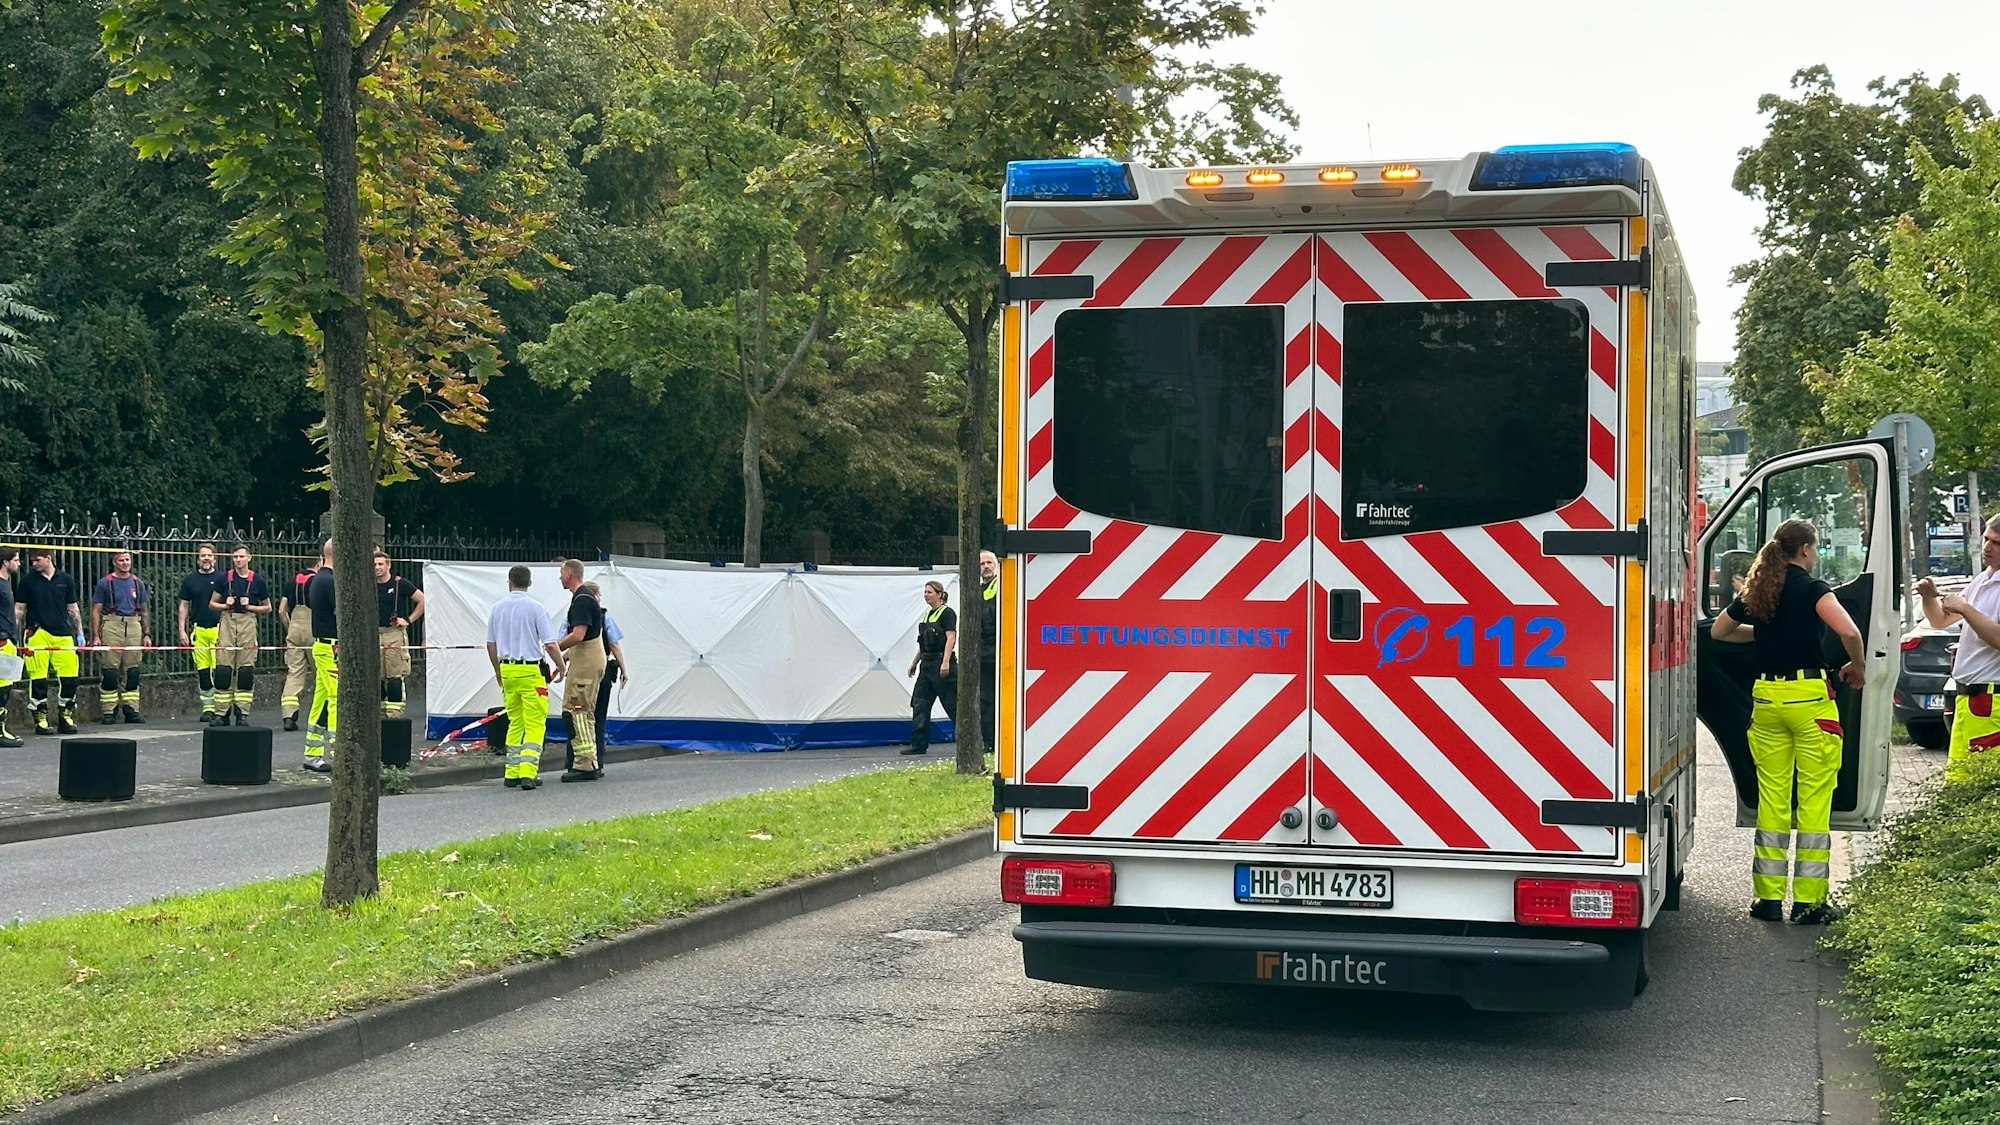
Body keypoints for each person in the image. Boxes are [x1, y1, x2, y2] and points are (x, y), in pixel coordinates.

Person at [1709, 518, 1866, 926]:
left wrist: (1763, 635)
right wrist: (1858, 667)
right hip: (1809, 701)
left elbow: (1721, 633)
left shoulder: (1760, 589)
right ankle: (1810, 904)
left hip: (1767, 701)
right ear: (1806, 550)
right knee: (1814, 802)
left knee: (1774, 800)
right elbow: (1848, 630)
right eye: (1814, 548)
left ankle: (1766, 900)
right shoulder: (1813, 589)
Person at [1919, 512, 2000, 782]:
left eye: (1997, 543)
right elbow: (1940, 619)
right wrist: (1929, 598)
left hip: (1991, 699)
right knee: (1958, 784)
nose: (1988, 547)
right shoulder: (1983, 580)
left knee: (1982, 786)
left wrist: (1965, 608)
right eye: (1986, 539)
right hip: (1968, 699)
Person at [486, 564, 564, 791]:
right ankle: (528, 773)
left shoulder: (497, 609)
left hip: (508, 671)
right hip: (530, 672)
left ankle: (511, 773)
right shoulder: (536, 608)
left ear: (509, 582)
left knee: (515, 721)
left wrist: (498, 671)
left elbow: (491, 644)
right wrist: (560, 665)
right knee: (535, 723)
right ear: (529, 583)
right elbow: (550, 643)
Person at [17, 548, 82, 734]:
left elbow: (73, 608)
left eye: (37, 560)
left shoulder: (66, 580)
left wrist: (79, 632)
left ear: (48, 558)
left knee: (70, 678)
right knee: (38, 679)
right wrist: (14, 633)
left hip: (62, 633)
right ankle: (41, 718)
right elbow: (19, 609)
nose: (34, 564)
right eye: (32, 561)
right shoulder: (28, 581)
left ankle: (66, 716)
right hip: (38, 632)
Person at [555, 559, 606, 782]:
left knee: (576, 711)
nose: (559, 577)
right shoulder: (583, 597)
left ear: (569, 574)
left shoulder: (582, 600)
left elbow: (578, 635)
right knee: (584, 712)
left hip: (587, 661)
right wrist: (564, 658)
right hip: (586, 657)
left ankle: (584, 765)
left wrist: (554, 650)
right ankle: (590, 760)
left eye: (561, 573)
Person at [209, 544, 271, 726]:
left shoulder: (257, 580)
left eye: (241, 557)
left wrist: (250, 606)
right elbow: (212, 603)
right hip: (228, 620)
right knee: (223, 669)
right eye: (235, 557)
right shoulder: (224, 578)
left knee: (245, 669)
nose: (238, 560)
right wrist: (224, 605)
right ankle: (221, 713)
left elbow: (268, 607)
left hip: (248, 621)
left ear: (249, 558)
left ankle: (242, 712)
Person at [90, 549, 151, 723]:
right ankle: (109, 711)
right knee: (110, 670)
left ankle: (131, 709)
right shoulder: (105, 583)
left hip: (134, 624)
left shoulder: (137, 583)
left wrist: (146, 634)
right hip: (112, 624)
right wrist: (96, 636)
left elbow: (145, 610)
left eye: (127, 560)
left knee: (133, 670)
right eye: (122, 560)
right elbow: (96, 610)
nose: (125, 563)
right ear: (114, 562)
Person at [904, 580, 956, 756]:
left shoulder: (947, 613)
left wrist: (946, 662)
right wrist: (914, 662)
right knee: (920, 704)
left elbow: (950, 638)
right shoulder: (927, 616)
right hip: (926, 664)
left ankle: (968, 742)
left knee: (952, 704)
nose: (926, 595)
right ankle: (918, 744)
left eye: (930, 592)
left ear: (940, 594)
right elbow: (923, 643)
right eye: (925, 592)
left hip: (941, 663)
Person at [177, 543, 227, 722]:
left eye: (209, 555)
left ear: (215, 558)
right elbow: (184, 605)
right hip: (199, 630)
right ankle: (208, 708)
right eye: (202, 555)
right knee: (203, 671)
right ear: (198, 559)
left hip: (219, 629)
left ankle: (223, 708)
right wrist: (181, 630)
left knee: (220, 670)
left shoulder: (223, 578)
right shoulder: (190, 580)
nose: (206, 558)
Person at [373, 551, 424, 720]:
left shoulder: (399, 583)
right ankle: (380, 715)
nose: (377, 568)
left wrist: (408, 620)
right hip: (374, 635)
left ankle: (394, 715)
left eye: (381, 564)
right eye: (374, 564)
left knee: (394, 677)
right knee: (377, 677)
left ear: (388, 565)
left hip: (394, 633)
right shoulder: (368, 584)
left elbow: (422, 600)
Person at [303, 539, 338, 772]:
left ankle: (312, 753)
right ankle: (339, 751)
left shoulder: (317, 580)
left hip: (323, 645)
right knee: (338, 699)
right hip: (333, 648)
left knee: (322, 700)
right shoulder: (332, 582)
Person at [278, 558, 320, 731]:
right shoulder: (320, 582)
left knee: (294, 673)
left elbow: (281, 611)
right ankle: (321, 716)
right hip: (314, 630)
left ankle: (289, 716)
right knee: (322, 675)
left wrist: (290, 629)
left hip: (294, 629)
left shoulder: (291, 582)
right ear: (319, 563)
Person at [977, 549, 999, 750]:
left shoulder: (1002, 586)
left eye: (989, 563)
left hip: (1001, 648)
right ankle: (989, 742)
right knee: (986, 699)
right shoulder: (976, 590)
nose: (986, 567)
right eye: (982, 564)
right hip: (983, 652)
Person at [0, 548, 21, 748]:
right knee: (2, 687)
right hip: (2, 641)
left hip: (9, 641)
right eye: (16, 560)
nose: (19, 563)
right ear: (6, 562)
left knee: (6, 686)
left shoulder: (7, 583)